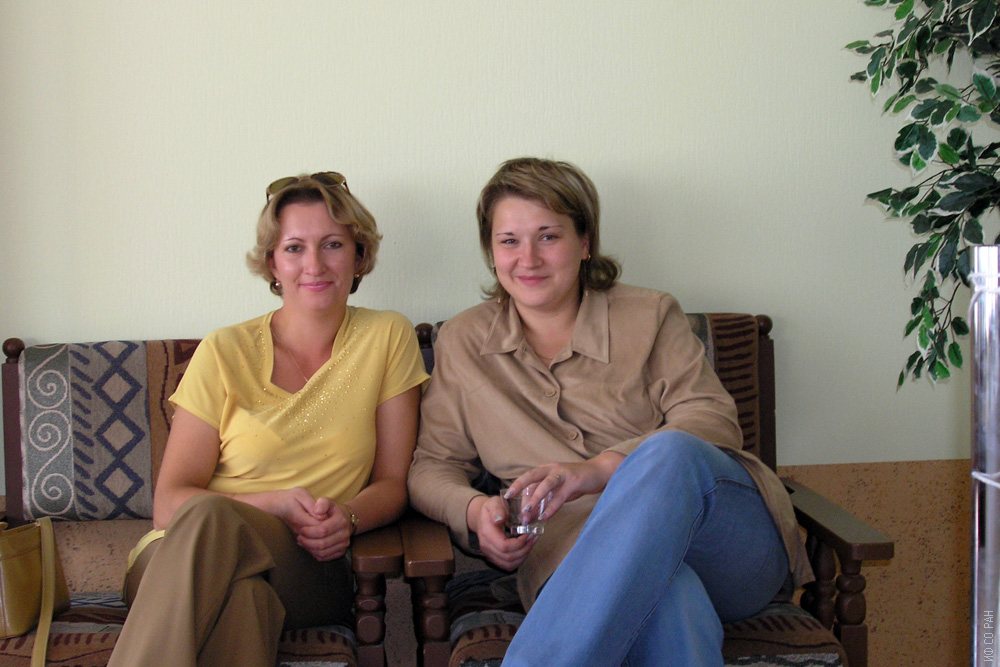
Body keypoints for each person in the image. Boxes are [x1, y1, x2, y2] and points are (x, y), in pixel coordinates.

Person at [407, 158, 812, 667]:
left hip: (723, 546)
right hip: (572, 558)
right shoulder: (464, 341)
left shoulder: (650, 314)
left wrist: (598, 471)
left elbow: (711, 419)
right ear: (491, 252)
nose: (528, 258)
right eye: (509, 241)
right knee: (670, 598)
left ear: (585, 242)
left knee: (671, 451)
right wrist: (473, 511)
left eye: (548, 236)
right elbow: (432, 466)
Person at [108, 172, 429, 667]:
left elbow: (392, 483)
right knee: (243, 601)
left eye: (333, 244)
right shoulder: (224, 349)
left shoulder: (386, 336)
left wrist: (348, 517)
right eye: (295, 248)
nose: (314, 264)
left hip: (306, 563)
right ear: (272, 263)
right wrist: (273, 504)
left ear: (359, 254)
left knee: (218, 530)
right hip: (175, 557)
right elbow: (169, 504)